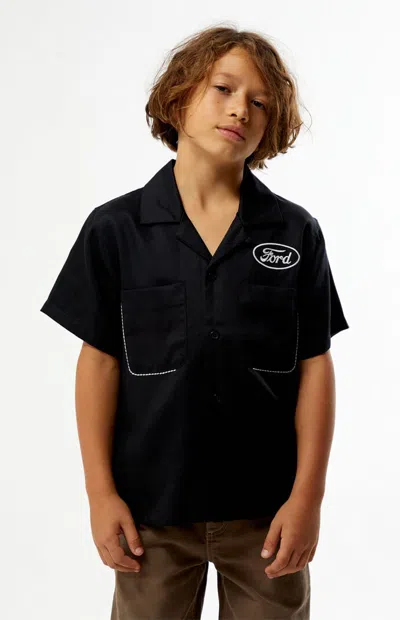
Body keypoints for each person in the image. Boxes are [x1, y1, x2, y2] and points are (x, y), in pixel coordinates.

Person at [40, 24, 350, 620]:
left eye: (260, 103)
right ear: (179, 96)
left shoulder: (295, 232)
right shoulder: (115, 230)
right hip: (150, 514)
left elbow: (315, 366)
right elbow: (99, 363)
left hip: (267, 516)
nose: (240, 110)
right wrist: (100, 494)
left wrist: (307, 499)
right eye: (223, 89)